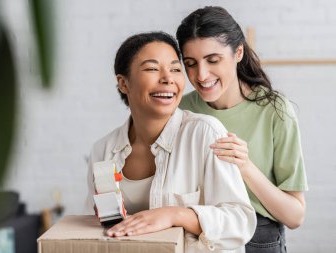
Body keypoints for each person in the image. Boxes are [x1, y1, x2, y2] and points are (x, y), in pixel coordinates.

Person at [85, 31, 256, 252]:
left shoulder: (205, 133)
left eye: (176, 69)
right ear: (123, 83)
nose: (168, 78)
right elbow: (97, 226)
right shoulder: (103, 151)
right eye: (152, 69)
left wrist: (176, 214)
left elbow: (240, 221)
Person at [176, 6, 308, 253]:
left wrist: (245, 166)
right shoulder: (181, 110)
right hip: (197, 235)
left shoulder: (275, 110)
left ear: (238, 52)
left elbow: (295, 216)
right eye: (191, 63)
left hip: (258, 239)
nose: (201, 75)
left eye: (213, 60)